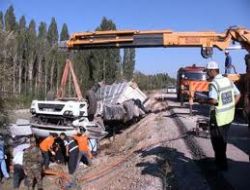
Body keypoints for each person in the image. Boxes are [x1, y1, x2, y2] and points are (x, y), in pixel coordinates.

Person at [200, 61, 241, 170]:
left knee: (217, 142)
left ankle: (221, 164)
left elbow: (213, 101)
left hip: (218, 117)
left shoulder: (214, 83)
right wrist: (232, 106)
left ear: (213, 71)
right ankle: (221, 161)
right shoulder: (228, 80)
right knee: (223, 140)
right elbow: (238, 94)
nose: (207, 74)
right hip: (228, 117)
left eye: (208, 71)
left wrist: (203, 100)